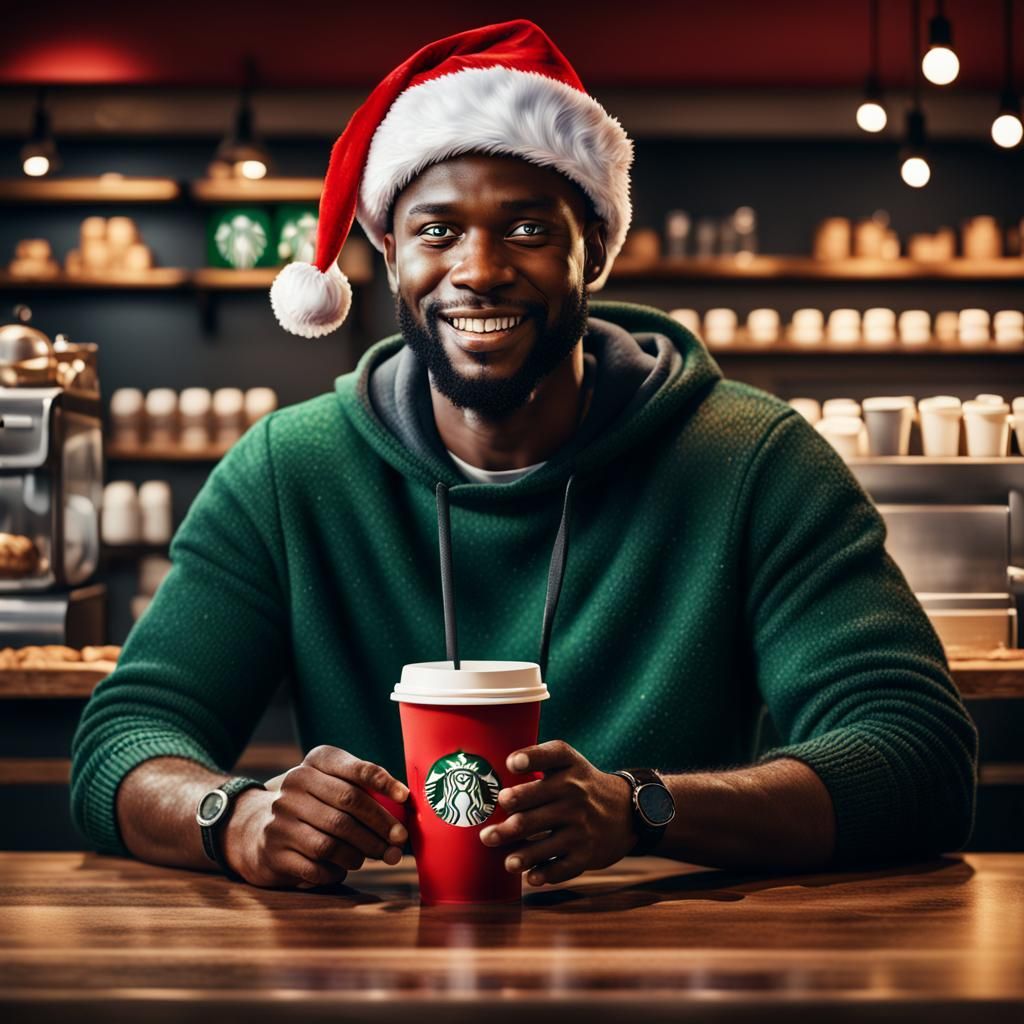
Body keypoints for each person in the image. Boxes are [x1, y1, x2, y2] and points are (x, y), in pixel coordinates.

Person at [70, 19, 977, 891]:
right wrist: (234, 818)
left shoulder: (752, 460)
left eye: (529, 229)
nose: (479, 269)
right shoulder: (289, 470)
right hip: (380, 973)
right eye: (436, 232)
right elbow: (127, 739)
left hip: (684, 971)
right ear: (387, 256)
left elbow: (917, 753)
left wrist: (643, 809)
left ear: (596, 254)